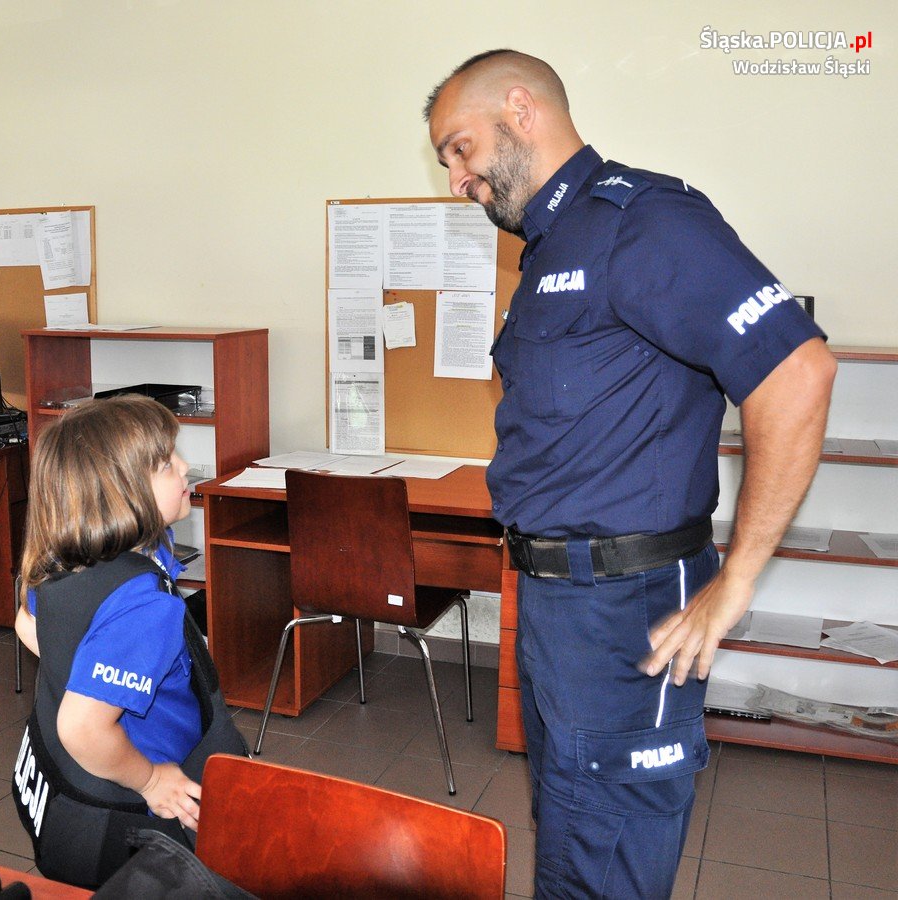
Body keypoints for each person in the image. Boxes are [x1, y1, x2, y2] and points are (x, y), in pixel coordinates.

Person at [424, 50, 837, 898]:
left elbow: (797, 371)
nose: (457, 179)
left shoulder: (643, 222)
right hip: (553, 602)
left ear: (520, 108)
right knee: (571, 829)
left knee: (604, 857)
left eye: (460, 150)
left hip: (629, 610)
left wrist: (738, 582)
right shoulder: (547, 250)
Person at [10, 395, 246, 888]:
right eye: (166, 464)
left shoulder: (65, 554)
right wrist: (152, 780)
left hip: (65, 798)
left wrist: (85, 670)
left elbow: (25, 624)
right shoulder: (143, 607)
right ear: (119, 494)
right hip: (126, 816)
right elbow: (81, 728)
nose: (186, 467)